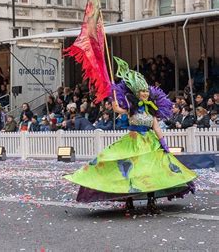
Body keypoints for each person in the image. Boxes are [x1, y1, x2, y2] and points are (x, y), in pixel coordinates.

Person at [65, 57, 196, 215]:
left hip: (150, 144)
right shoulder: (131, 108)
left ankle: (151, 201)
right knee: (129, 172)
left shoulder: (151, 110)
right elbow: (119, 110)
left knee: (150, 173)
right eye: (142, 91)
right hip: (132, 142)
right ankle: (129, 201)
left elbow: (156, 128)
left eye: (147, 91)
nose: (145, 93)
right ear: (137, 93)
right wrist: (114, 102)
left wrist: (163, 143)